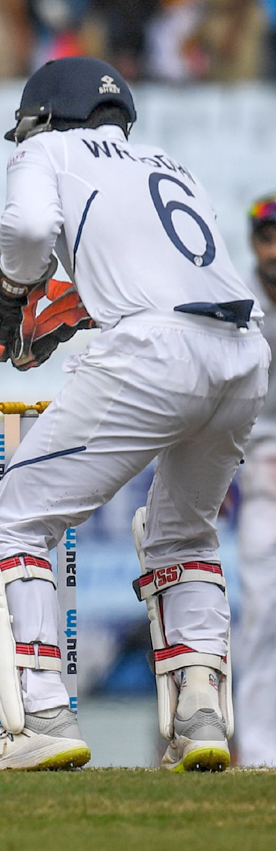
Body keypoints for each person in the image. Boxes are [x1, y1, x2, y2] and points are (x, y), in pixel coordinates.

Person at [0, 56, 269, 771]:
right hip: (245, 354)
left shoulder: (44, 148)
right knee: (184, 533)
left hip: (156, 352)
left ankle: (42, 716)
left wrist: (10, 286)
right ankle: (203, 717)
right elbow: (167, 276)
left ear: (43, 116)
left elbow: (29, 230)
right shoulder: (168, 163)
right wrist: (79, 306)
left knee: (16, 522)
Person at [235, 193, 276, 767]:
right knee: (262, 617)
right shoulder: (238, 301)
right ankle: (263, 754)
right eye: (266, 236)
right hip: (263, 479)